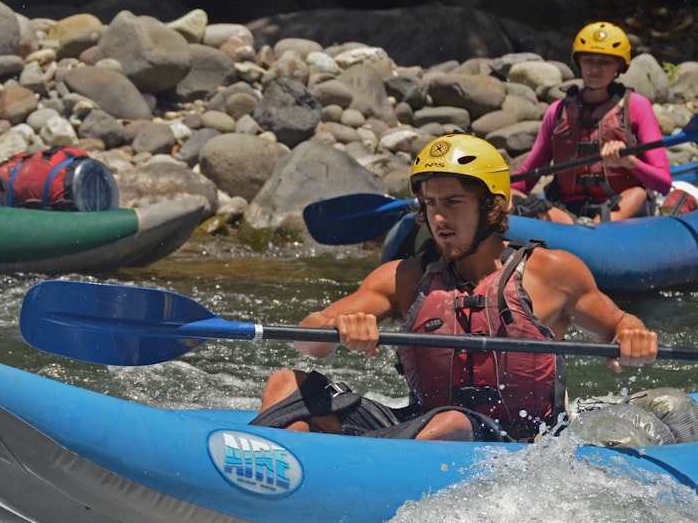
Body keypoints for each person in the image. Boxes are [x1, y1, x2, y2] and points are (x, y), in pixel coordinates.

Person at [251, 133, 658, 442]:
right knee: (285, 383)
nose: (439, 218)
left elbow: (618, 326)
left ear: (493, 206)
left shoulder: (552, 272)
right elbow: (310, 337)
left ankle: (341, 466)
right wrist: (338, 330)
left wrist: (633, 337)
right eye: (430, 203)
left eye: (454, 202)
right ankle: (269, 475)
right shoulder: (405, 278)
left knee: (454, 423)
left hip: (518, 447)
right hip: (422, 430)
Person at [511, 21, 671, 226]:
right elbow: (527, 176)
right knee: (508, 195)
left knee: (637, 194)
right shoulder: (558, 111)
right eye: (589, 60)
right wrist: (495, 190)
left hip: (619, 210)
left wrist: (631, 163)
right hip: (564, 213)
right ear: (579, 62)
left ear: (619, 66)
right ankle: (579, 232)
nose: (595, 69)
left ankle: (592, 234)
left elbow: (664, 184)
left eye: (604, 62)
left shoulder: (637, 107)